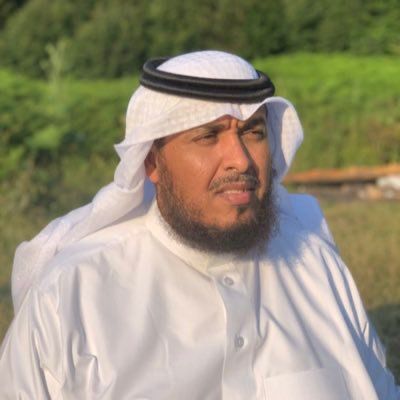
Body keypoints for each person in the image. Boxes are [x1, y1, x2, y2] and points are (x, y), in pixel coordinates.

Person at [0, 50, 398, 399]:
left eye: (253, 132)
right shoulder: (72, 295)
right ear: (152, 163)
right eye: (208, 136)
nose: (240, 160)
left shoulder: (316, 267)